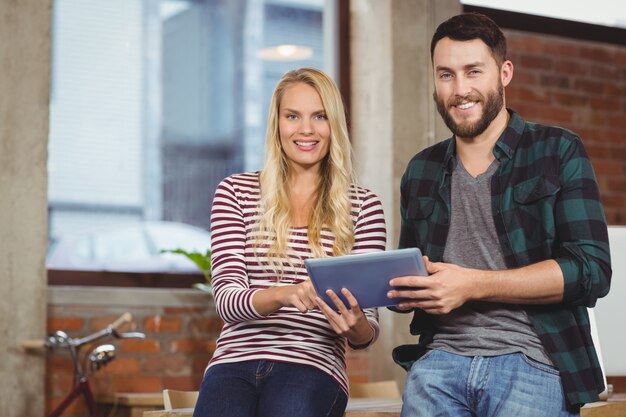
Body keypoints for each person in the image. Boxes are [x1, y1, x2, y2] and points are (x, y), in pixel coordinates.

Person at [386, 12, 612, 417]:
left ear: (504, 72)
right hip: (439, 362)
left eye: (474, 71)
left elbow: (591, 271)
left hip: (533, 359)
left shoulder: (557, 151)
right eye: (446, 75)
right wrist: (389, 292)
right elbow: (412, 277)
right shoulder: (420, 170)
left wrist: (472, 284)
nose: (460, 89)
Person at [193, 67, 387, 417]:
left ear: (334, 126)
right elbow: (226, 301)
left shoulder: (364, 206)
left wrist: (355, 323)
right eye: (293, 116)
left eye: (319, 116)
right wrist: (286, 293)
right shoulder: (235, 193)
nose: (306, 129)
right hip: (235, 361)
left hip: (314, 363)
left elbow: (366, 332)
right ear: (277, 124)